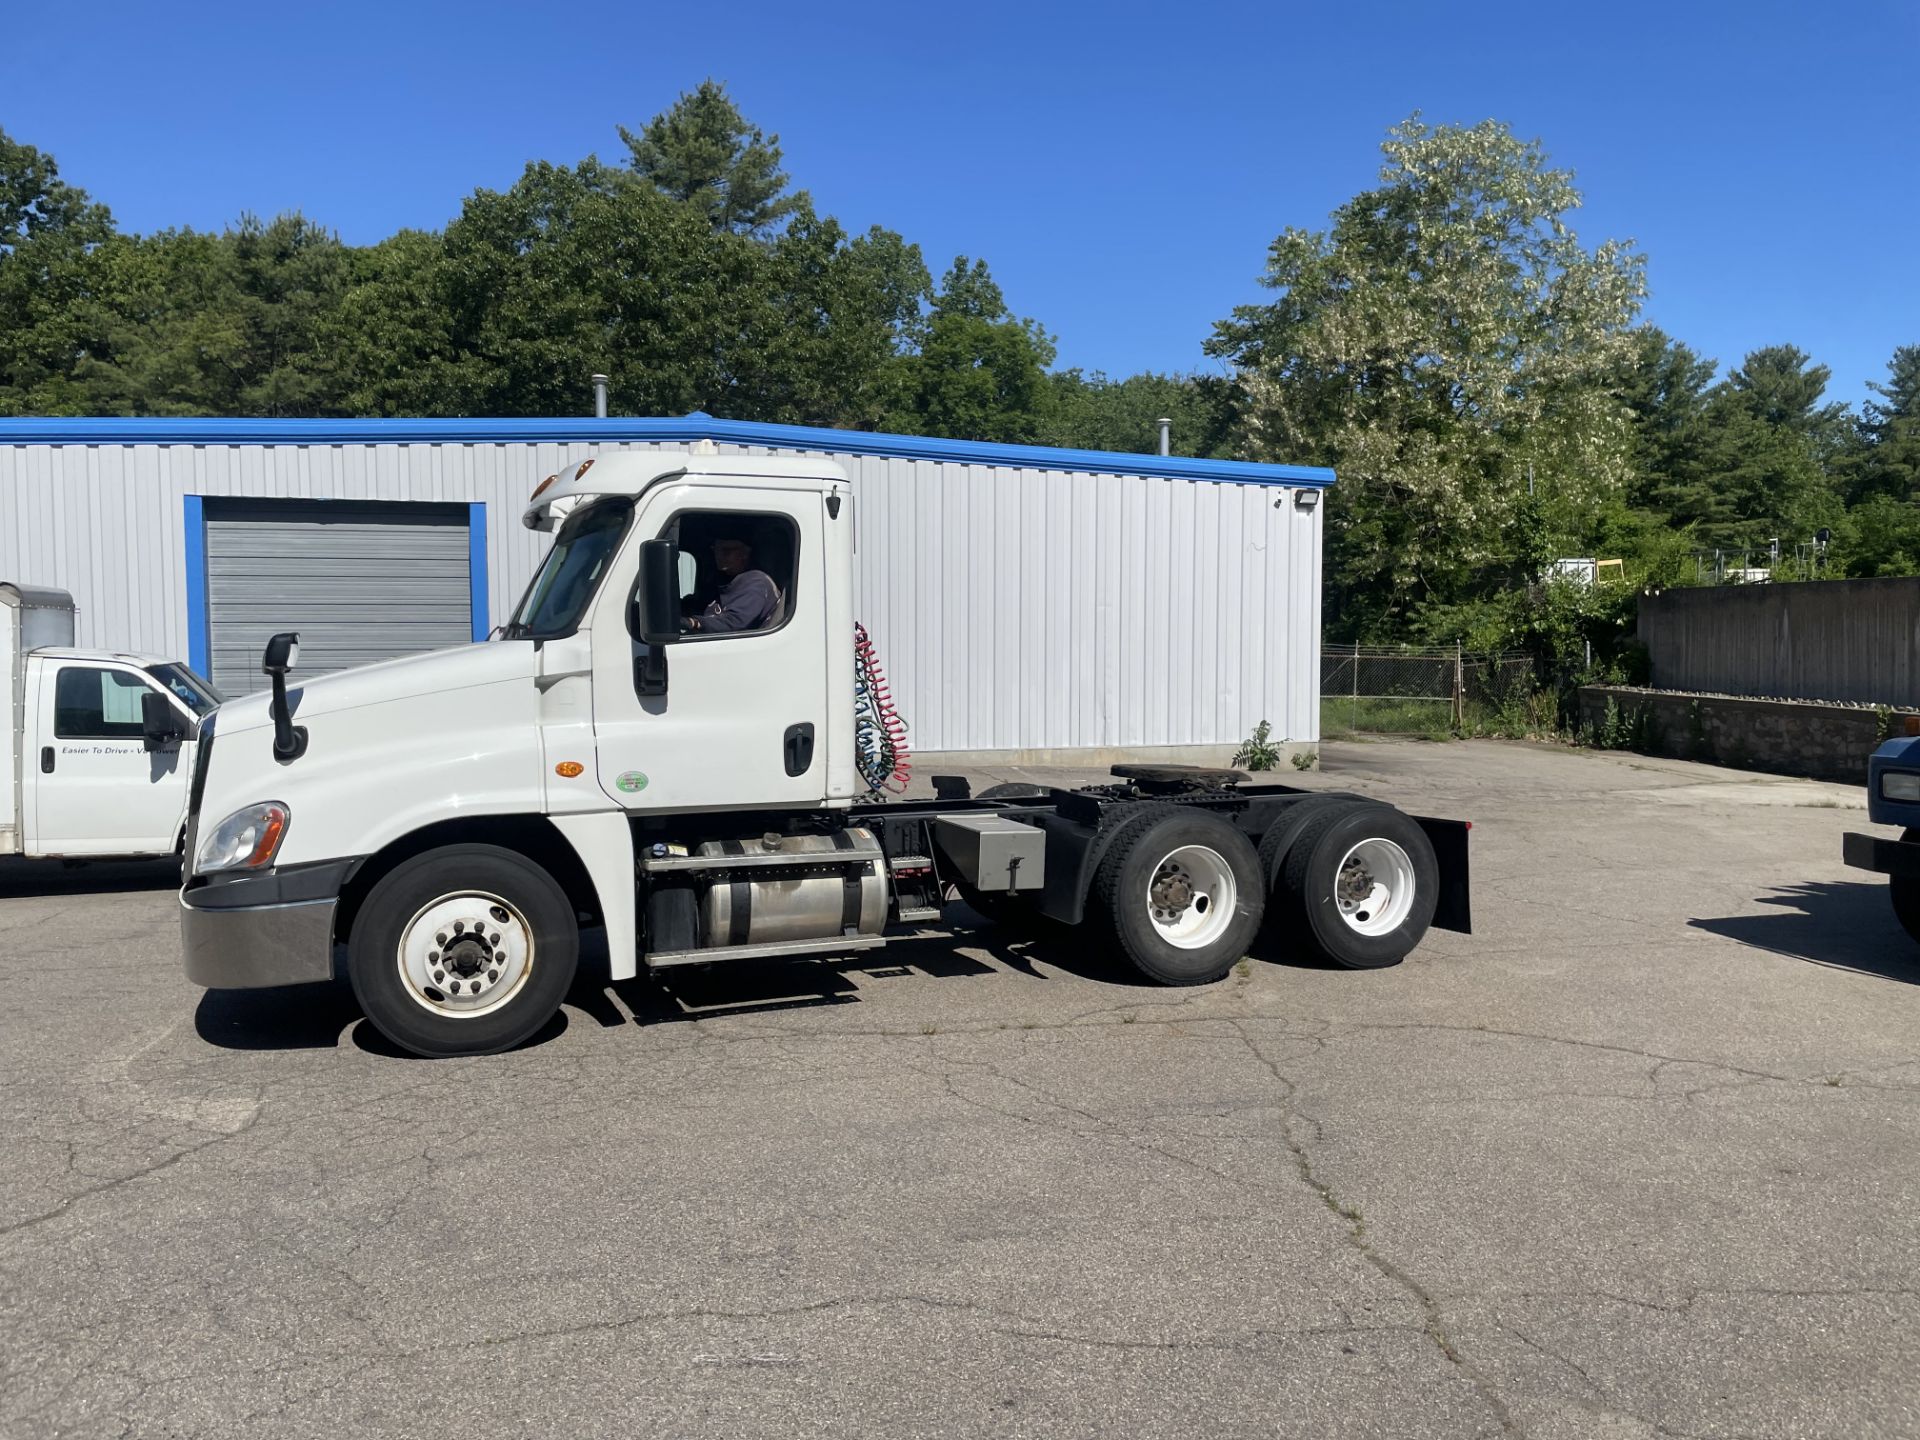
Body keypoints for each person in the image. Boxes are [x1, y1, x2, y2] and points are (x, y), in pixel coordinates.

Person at [684, 535, 782, 634]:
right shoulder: (723, 578)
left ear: (745, 553)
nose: (719, 555)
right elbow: (701, 603)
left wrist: (694, 622)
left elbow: (735, 622)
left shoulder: (757, 582)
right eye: (716, 549)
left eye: (727, 550)